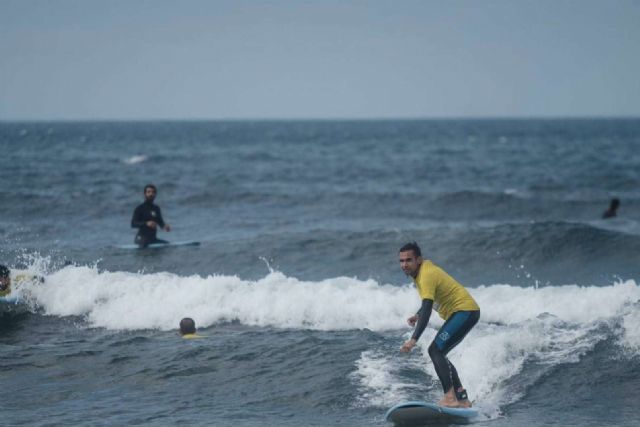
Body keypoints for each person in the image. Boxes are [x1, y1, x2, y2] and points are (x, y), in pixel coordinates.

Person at [398, 242, 480, 408]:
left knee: (435, 350)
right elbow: (430, 300)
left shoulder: (426, 275)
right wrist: (418, 314)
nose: (404, 264)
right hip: (464, 312)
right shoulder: (421, 273)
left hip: (465, 311)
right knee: (440, 353)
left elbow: (428, 309)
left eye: (409, 260)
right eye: (401, 261)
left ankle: (450, 398)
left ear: (418, 260)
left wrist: (414, 339)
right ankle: (462, 399)